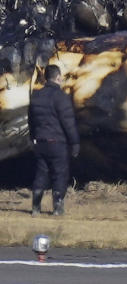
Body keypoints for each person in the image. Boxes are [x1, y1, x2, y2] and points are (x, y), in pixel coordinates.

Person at [28, 64, 79, 217]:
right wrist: (75, 142)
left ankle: (36, 208)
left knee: (41, 174)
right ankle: (57, 209)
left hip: (40, 142)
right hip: (57, 143)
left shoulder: (36, 96)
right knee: (59, 174)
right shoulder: (61, 97)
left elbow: (31, 121)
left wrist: (33, 139)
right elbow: (68, 122)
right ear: (58, 77)